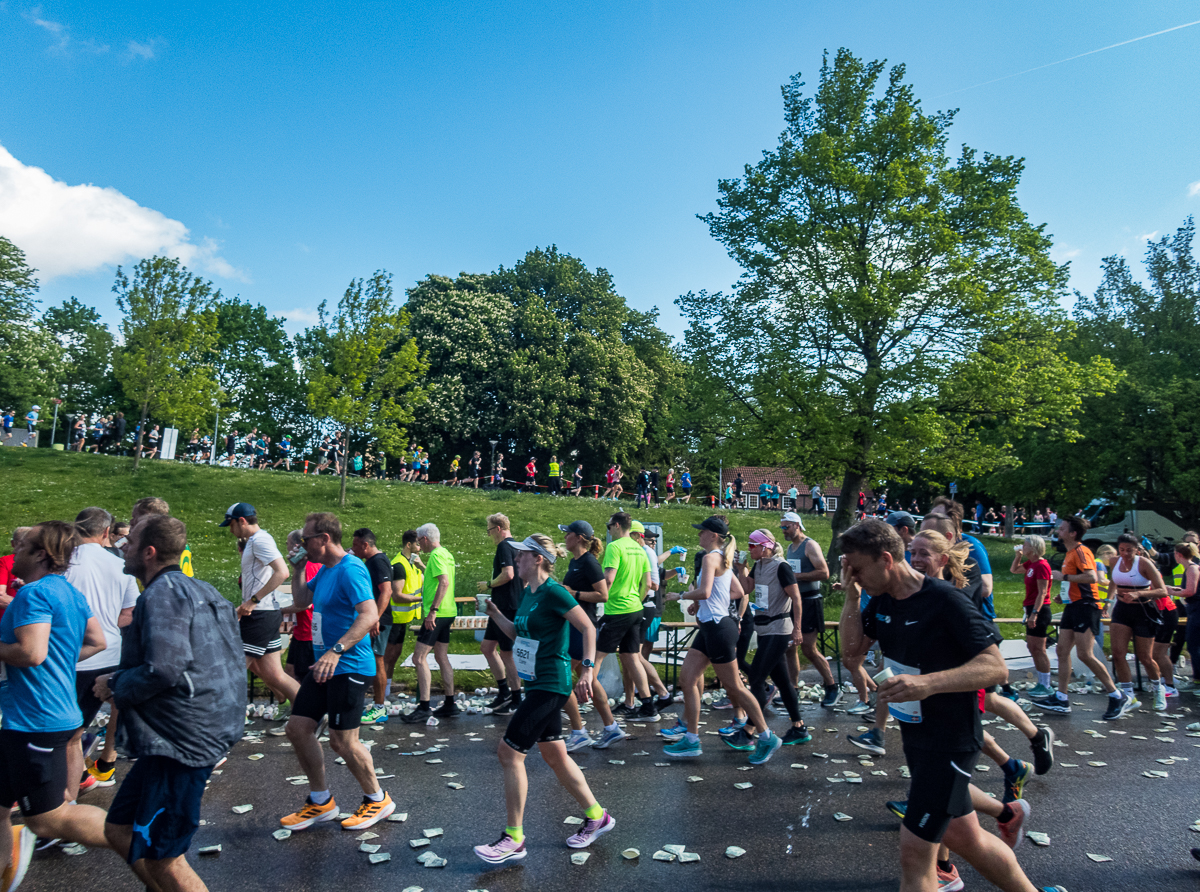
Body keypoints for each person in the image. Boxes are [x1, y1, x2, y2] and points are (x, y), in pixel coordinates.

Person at [837, 519, 1052, 892]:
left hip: (952, 737)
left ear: (886, 559)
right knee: (966, 837)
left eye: (856, 568)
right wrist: (852, 596)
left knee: (913, 851)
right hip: (917, 735)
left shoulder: (944, 599)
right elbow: (852, 655)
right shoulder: (882, 602)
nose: (851, 574)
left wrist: (927, 683)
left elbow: (995, 667)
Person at [95, 514, 244, 892]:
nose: (121, 546)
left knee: (165, 860)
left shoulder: (162, 594)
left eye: (129, 543)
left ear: (148, 552)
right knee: (118, 829)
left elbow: (164, 669)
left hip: (183, 743)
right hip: (183, 735)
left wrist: (115, 684)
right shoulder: (203, 589)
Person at [473, 534, 614, 865]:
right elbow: (518, 633)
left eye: (521, 555)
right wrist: (494, 612)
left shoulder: (554, 592)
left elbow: (588, 628)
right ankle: (598, 816)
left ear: (537, 559)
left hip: (552, 683)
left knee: (509, 753)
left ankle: (514, 837)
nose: (516, 559)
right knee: (554, 754)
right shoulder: (529, 593)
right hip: (536, 681)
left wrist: (588, 671)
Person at [0, 522, 108, 890]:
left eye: (24, 546)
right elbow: (97, 641)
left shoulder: (32, 594)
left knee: (47, 819)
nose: (15, 551)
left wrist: (43, 658)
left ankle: (136, 836)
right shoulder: (67, 591)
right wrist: (57, 659)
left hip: (34, 719)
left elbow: (31, 652)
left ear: (41, 555)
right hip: (40, 714)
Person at [281, 512, 395, 831]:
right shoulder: (328, 570)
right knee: (298, 728)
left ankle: (377, 800)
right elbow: (303, 600)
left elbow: (369, 614)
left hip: (348, 665)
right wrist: (299, 568)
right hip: (324, 667)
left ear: (325, 538)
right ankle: (321, 802)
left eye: (307, 539)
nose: (303, 544)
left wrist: (336, 650)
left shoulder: (351, 568)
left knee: (342, 742)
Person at [662, 516, 781, 763]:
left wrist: (680, 595)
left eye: (702, 531)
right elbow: (737, 591)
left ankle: (767, 736)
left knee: (735, 686)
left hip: (718, 628)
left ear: (714, 535)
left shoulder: (710, 558)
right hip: (711, 627)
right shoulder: (723, 559)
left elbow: (704, 591)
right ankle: (691, 740)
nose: (699, 535)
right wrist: (711, 601)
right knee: (687, 679)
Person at [65, 508, 141, 794]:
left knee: (65, 735)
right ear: (106, 532)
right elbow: (129, 613)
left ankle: (63, 801)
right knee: (75, 732)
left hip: (71, 656)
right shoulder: (120, 565)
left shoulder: (64, 562)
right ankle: (78, 784)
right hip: (109, 655)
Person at [1030, 515, 1131, 719]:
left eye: (1062, 529)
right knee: (1061, 650)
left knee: (1085, 654)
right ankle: (1061, 698)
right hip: (1073, 605)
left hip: (1087, 606)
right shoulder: (1069, 554)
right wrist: (1064, 594)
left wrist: (1064, 577)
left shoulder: (1081, 551)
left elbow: (1091, 577)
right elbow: (1077, 581)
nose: (1058, 531)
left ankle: (1117, 695)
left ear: (1073, 533)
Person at [220, 503, 299, 720]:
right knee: (274, 675)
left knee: (233, 670)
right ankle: (309, 713)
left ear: (242, 521)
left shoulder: (260, 540)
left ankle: (224, 720)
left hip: (260, 615)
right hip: (264, 613)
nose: (230, 530)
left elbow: (282, 572)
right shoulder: (257, 540)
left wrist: (253, 601)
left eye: (231, 524)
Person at [587, 512, 657, 746]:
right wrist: (635, 600)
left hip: (617, 609)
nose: (608, 530)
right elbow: (647, 584)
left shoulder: (615, 547)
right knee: (631, 657)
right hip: (636, 608)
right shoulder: (641, 548)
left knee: (596, 656)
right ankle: (648, 705)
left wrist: (593, 595)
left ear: (617, 526)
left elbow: (608, 579)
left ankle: (585, 693)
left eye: (609, 526)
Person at [738, 529, 811, 746]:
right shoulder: (760, 566)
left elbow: (797, 598)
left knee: (757, 679)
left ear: (766, 546)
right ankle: (799, 728)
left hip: (779, 629)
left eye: (753, 545)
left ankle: (749, 731)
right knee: (782, 681)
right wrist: (741, 570)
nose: (750, 549)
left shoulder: (781, 566)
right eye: (749, 545)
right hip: (764, 629)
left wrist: (797, 629)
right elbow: (747, 588)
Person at [558, 520, 608, 751]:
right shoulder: (574, 561)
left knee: (562, 679)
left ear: (578, 537)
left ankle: (579, 732)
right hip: (574, 626)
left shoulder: (589, 562)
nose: (564, 537)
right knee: (590, 680)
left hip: (583, 628)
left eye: (567, 533)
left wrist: (573, 592)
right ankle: (611, 726)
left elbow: (603, 595)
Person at [1105, 532, 1170, 710]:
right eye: (1122, 550)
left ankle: (1158, 688)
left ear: (1137, 550)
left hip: (1143, 610)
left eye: (1129, 550)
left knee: (1145, 657)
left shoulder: (1144, 563)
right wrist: (1108, 601)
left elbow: (1162, 591)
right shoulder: (1113, 561)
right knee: (1118, 654)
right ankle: (1129, 696)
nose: (1125, 554)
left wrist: (1138, 593)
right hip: (1121, 610)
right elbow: (1113, 581)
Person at [400, 523, 458, 723]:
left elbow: (444, 581)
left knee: (419, 658)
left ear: (425, 539)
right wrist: (422, 567)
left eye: (419, 541)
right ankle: (450, 703)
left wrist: (432, 611)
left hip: (438, 614)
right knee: (441, 656)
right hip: (448, 611)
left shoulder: (436, 555)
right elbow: (440, 577)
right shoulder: (445, 554)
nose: (418, 545)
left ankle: (424, 706)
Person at [780, 512, 838, 707]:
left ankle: (831, 686)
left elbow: (824, 573)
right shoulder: (790, 547)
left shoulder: (809, 545)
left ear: (797, 525)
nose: (783, 531)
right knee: (790, 648)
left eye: (786, 527)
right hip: (795, 601)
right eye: (782, 527)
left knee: (809, 648)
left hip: (811, 601)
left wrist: (798, 576)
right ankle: (792, 689)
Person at [479, 514, 523, 716]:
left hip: (506, 607)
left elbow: (509, 574)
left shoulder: (505, 546)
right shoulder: (519, 546)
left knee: (507, 653)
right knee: (487, 647)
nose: (489, 535)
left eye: (489, 531)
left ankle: (516, 697)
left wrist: (488, 584)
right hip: (504, 604)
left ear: (498, 529)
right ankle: (504, 690)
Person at [349, 529, 394, 724]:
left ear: (365, 545)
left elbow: (386, 591)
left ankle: (379, 708)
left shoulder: (378, 561)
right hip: (372, 618)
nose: (353, 548)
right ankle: (372, 704)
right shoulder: (370, 562)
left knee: (377, 660)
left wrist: (375, 617)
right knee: (371, 659)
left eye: (356, 545)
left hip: (379, 621)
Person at [1011, 536, 1055, 699]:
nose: (1023, 546)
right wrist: (1018, 556)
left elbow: (1043, 592)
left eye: (1025, 544)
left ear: (1034, 547)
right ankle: (1041, 681)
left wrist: (1034, 614)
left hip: (1040, 610)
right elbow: (1014, 570)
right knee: (1032, 647)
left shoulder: (1042, 565)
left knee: (1038, 648)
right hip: (1030, 608)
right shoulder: (1031, 564)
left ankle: (1046, 683)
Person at [383, 531, 424, 698]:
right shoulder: (399, 565)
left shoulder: (413, 563)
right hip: (394, 618)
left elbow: (429, 578)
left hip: (403, 619)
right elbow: (397, 595)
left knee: (395, 656)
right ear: (409, 545)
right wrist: (422, 598)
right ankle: (381, 695)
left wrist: (422, 566)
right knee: (387, 657)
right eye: (418, 544)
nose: (420, 547)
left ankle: (386, 691)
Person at [1167, 542, 1200, 690]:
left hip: (1197, 610)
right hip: (1193, 609)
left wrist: (1172, 592)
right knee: (1193, 645)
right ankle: (1197, 679)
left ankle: (1198, 680)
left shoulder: (1192, 569)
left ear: (1178, 555)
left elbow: (1190, 591)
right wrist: (1174, 589)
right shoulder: (1190, 568)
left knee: (1194, 645)